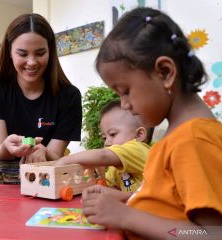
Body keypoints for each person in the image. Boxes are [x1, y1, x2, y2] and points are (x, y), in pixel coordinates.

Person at [81, 7, 222, 239]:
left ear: (165, 73)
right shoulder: (177, 135)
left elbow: (212, 234)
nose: (124, 104)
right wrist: (126, 199)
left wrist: (126, 216)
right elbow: (172, 205)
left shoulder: (193, 140)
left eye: (125, 91)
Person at [0, 13, 82, 184]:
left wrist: (43, 151)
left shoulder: (69, 96)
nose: (31, 62)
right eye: (22, 54)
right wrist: (7, 146)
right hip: (7, 175)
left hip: (49, 175)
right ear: (10, 52)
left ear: (50, 52)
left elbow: (56, 155)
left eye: (40, 53)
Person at [55, 99, 153, 193]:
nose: (106, 142)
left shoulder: (138, 149)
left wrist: (66, 160)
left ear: (139, 135)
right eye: (104, 137)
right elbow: (109, 187)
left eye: (113, 134)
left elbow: (103, 155)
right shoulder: (117, 166)